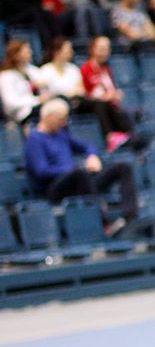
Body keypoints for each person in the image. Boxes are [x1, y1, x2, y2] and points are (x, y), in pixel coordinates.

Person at [23, 99, 138, 233]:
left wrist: (92, 156)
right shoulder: (34, 140)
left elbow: (87, 146)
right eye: (61, 119)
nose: (64, 123)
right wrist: (71, 169)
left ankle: (129, 216)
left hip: (81, 181)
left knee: (122, 167)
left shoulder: (61, 134)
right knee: (80, 173)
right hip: (55, 187)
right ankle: (104, 222)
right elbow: (41, 171)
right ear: (49, 117)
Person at [0, 39, 49, 125]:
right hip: (21, 113)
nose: (30, 53)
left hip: (37, 107)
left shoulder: (32, 70)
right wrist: (37, 100)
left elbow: (45, 83)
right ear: (16, 55)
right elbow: (11, 103)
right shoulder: (6, 76)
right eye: (26, 51)